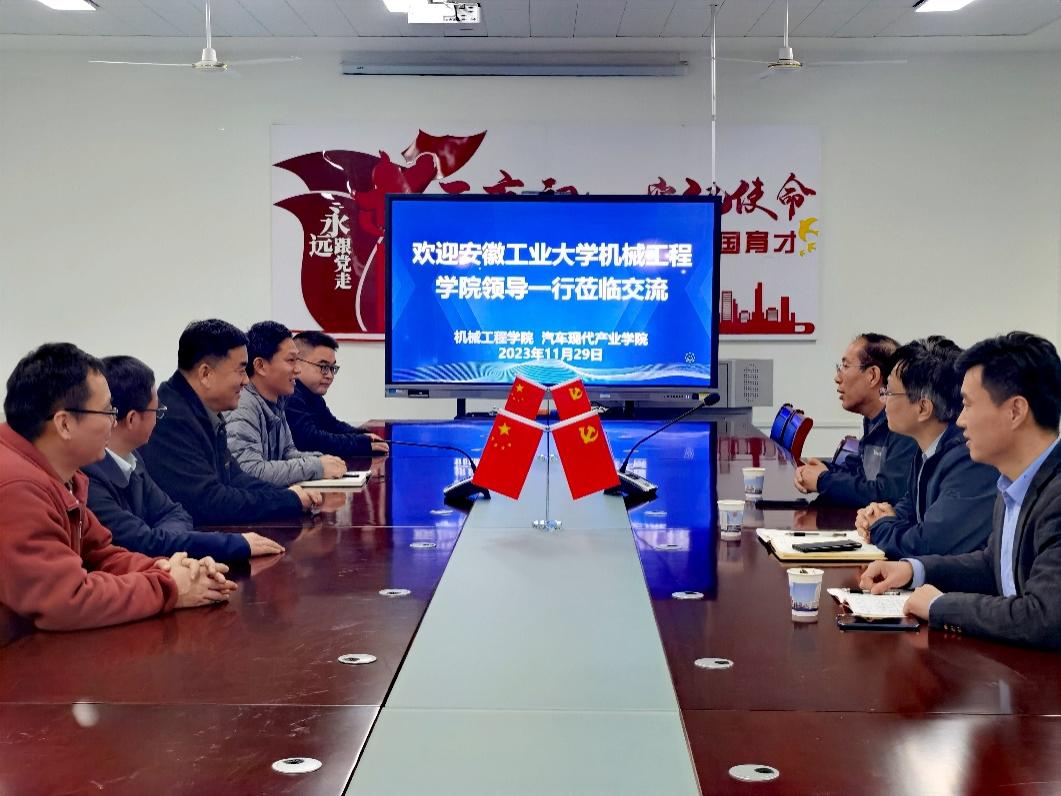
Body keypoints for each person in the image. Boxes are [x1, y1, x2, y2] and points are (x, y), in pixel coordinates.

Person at [0, 343, 236, 641]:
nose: (114, 421)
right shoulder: (17, 487)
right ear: (64, 424)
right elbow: (64, 601)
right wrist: (170, 587)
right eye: (107, 411)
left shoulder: (64, 476)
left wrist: (172, 569)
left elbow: (101, 554)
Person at [861, 332, 1061, 649]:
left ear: (1015, 411)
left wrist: (940, 606)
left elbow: (1044, 617)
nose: (961, 419)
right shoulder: (1012, 484)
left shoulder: (1056, 496)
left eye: (968, 405)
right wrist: (913, 570)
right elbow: (992, 566)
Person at [84, 356, 284, 562]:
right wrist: (233, 543)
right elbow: (141, 543)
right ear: (132, 419)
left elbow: (175, 513)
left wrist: (165, 541)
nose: (159, 418)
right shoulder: (89, 479)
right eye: (157, 411)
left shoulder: (132, 458)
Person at [140, 319, 323, 525]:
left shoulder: (202, 410)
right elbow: (209, 502)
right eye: (241, 370)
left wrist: (290, 495)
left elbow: (236, 478)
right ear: (206, 374)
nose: (246, 380)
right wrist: (288, 501)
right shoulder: (171, 419)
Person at [855, 337, 998, 558]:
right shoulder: (928, 449)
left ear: (923, 408)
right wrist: (881, 514)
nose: (883, 400)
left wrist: (879, 526)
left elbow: (928, 544)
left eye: (889, 392)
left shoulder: (968, 458)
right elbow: (911, 507)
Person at [794, 333, 918, 507]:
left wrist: (823, 481)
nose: (837, 378)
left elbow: (887, 494)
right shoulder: (873, 419)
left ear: (872, 375)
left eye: (845, 366)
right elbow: (859, 471)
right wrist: (822, 470)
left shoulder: (904, 426)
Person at [224, 321, 348, 487]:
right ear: (260, 366)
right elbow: (248, 471)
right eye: (291, 360)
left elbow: (287, 453)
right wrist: (316, 466)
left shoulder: (277, 400)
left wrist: (323, 460)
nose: (297, 369)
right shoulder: (242, 406)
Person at [287, 330, 389, 457]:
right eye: (323, 367)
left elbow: (332, 425)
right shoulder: (289, 394)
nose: (330, 376)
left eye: (332, 368)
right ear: (297, 363)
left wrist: (362, 435)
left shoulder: (312, 395)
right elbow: (309, 440)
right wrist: (361, 443)